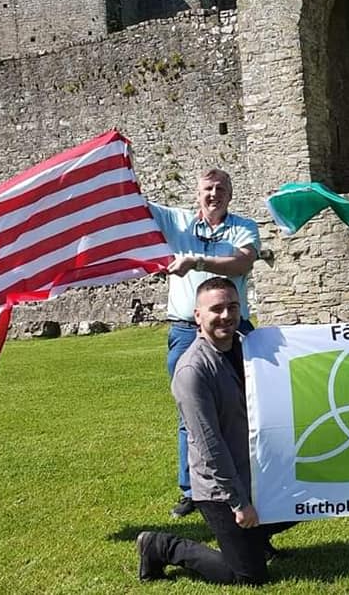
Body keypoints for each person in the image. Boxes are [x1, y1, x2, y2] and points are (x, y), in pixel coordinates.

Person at [136, 277, 293, 585]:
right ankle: (162, 546)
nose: (226, 315)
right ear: (198, 316)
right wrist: (239, 503)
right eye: (216, 308)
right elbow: (211, 448)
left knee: (312, 494)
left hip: (256, 471)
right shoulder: (192, 371)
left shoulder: (250, 348)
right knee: (249, 577)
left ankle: (253, 537)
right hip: (219, 489)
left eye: (232, 307)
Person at [149, 169, 260, 518]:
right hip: (186, 331)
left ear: (230, 194)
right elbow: (133, 202)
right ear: (197, 193)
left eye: (221, 189)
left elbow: (242, 262)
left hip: (234, 328)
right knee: (191, 412)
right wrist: (123, 159)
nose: (214, 194)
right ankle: (191, 490)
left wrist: (198, 261)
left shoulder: (244, 227)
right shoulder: (176, 221)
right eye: (208, 189)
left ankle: (251, 477)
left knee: (248, 406)